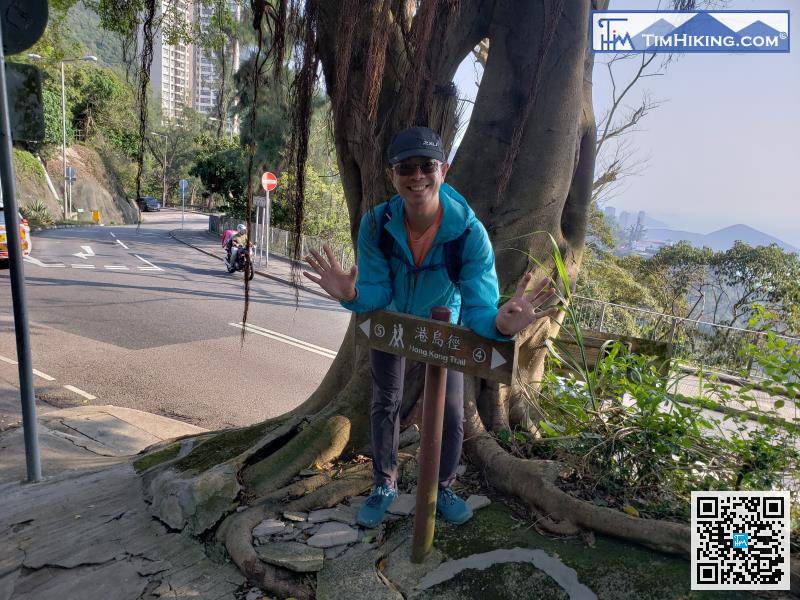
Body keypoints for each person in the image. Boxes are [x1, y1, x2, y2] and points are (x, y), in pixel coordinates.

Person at [303, 126, 558, 528]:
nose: (416, 176)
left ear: (444, 170)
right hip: (394, 326)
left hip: (445, 334)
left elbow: (479, 308)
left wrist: (500, 324)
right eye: (406, 167)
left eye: (427, 166)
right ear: (392, 174)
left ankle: (443, 486)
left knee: (453, 414)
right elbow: (376, 289)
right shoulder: (376, 224)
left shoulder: (469, 234)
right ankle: (384, 484)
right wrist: (351, 294)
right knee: (385, 403)